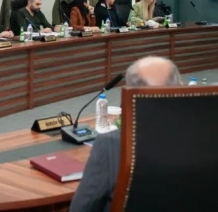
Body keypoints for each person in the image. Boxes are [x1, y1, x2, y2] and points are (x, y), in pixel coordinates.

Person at [69, 56, 182, 212]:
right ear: (181, 87)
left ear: (129, 94)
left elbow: (82, 207)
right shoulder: (206, 135)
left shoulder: (112, 144)